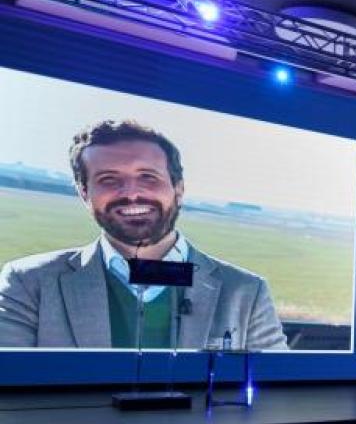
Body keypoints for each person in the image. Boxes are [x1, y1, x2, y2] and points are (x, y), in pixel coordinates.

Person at [0, 120, 287, 350]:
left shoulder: (245, 292)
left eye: (148, 177)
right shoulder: (29, 283)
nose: (132, 193)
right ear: (84, 193)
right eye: (108, 179)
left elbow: (277, 393)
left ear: (178, 188)